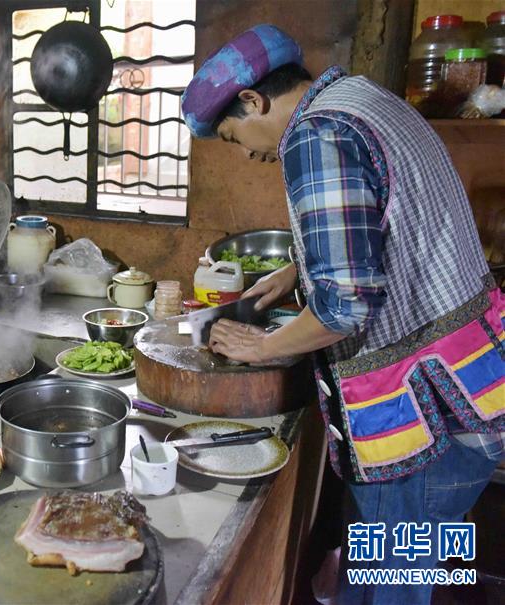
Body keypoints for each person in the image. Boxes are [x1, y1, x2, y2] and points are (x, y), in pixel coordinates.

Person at [182, 24, 504, 605]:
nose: (251, 154)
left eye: (235, 137)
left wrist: (261, 347)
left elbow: (346, 307)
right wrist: (295, 274)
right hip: (475, 387)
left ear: (253, 100)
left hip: (419, 414)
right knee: (401, 569)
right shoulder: (364, 100)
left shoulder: (316, 135)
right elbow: (385, 226)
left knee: (395, 584)